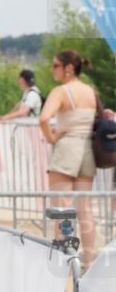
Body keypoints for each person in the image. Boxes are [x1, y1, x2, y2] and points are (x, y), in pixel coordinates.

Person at [40, 49, 99, 263]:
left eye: (55, 65)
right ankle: (89, 260)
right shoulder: (90, 91)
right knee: (85, 209)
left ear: (69, 68)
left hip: (66, 150)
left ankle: (64, 259)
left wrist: (51, 138)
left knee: (61, 207)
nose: (51, 69)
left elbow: (44, 118)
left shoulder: (61, 91)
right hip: (87, 151)